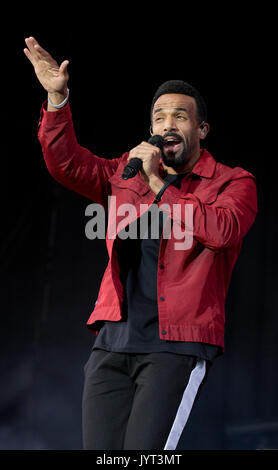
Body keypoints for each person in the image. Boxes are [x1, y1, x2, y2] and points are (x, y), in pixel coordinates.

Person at [24, 36, 258, 450]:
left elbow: (223, 230)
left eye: (180, 116)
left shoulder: (232, 182)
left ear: (201, 129)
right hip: (112, 342)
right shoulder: (123, 174)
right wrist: (57, 100)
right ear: (150, 130)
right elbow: (67, 164)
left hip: (175, 346)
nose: (168, 124)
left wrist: (157, 184)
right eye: (160, 117)